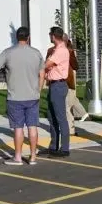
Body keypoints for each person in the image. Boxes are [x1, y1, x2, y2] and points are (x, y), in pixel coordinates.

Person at [0, 26, 44, 165]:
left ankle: (18, 157)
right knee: (33, 126)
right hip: (32, 95)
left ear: (16, 37)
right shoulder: (36, 53)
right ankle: (33, 157)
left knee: (18, 128)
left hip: (15, 96)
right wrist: (39, 89)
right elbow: (42, 73)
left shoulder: (8, 53)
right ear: (28, 37)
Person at [43, 27, 72, 157]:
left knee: (60, 117)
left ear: (53, 36)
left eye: (50, 35)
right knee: (51, 116)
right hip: (53, 85)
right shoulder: (56, 50)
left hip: (58, 85)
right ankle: (53, 145)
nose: (49, 37)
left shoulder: (61, 50)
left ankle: (64, 148)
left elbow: (46, 64)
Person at [64, 39, 88, 135]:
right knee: (71, 99)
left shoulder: (67, 51)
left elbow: (73, 65)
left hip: (68, 77)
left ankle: (70, 129)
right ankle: (82, 114)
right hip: (70, 77)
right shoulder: (70, 50)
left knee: (67, 104)